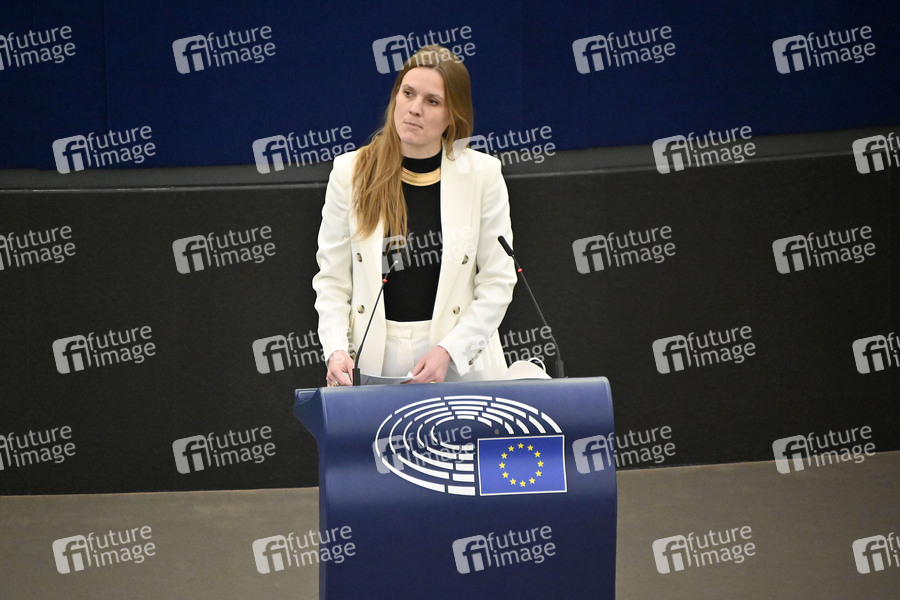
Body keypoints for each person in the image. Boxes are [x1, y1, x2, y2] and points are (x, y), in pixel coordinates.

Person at [313, 44, 516, 386]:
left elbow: (498, 281)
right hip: (373, 358)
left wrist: (449, 351)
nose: (414, 109)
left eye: (432, 101)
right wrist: (336, 349)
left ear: (453, 115)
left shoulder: (483, 175)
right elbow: (332, 280)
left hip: (458, 361)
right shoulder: (350, 172)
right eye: (408, 93)